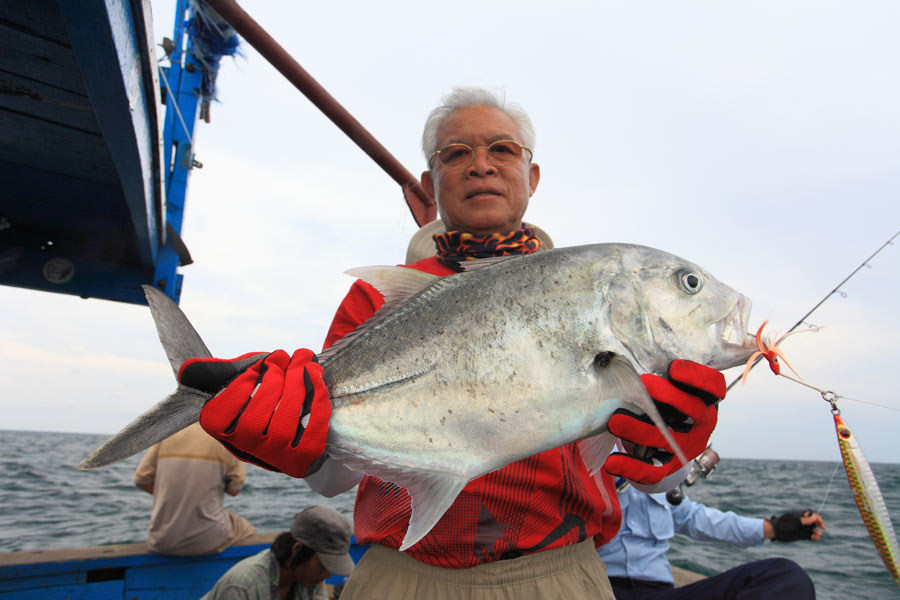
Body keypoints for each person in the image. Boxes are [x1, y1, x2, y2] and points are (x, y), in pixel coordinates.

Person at [177, 86, 729, 599]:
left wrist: (670, 449)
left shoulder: (597, 297)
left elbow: (650, 476)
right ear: (430, 181)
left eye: (502, 149)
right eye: (456, 153)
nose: (481, 164)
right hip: (403, 578)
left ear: (532, 176)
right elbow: (331, 478)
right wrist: (292, 437)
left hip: (561, 576)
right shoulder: (379, 297)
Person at [597, 449, 826, 600]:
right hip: (599, 588)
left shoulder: (661, 469)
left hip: (662, 594)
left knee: (786, 576)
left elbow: (698, 518)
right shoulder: (587, 455)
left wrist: (775, 528)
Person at [133, 422, 256, 555]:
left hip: (160, 540)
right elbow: (234, 490)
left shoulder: (167, 433)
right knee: (247, 529)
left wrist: (175, 496)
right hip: (206, 541)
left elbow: (142, 479)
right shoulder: (226, 438)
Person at [201, 505, 355, 600]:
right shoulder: (242, 586)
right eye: (322, 564)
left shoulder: (310, 579)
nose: (326, 574)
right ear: (297, 549)